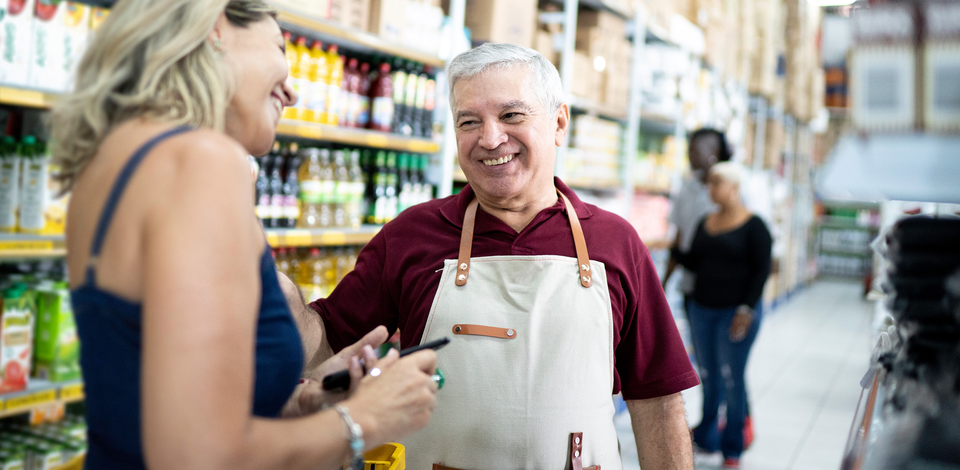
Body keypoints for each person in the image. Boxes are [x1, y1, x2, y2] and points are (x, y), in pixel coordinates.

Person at [52, 1, 438, 469]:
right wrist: (366, 417)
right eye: (280, 48)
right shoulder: (202, 162)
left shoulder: (114, 164)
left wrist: (303, 404)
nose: (293, 91)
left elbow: (156, 404)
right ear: (215, 27)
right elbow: (196, 456)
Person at [285, 43, 700, 470]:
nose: (490, 138)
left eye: (511, 115)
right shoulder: (411, 236)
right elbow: (323, 346)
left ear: (559, 123)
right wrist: (270, 283)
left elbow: (658, 400)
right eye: (469, 121)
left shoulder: (615, 243)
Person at [670, 162, 772, 469]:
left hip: (735, 313)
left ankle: (733, 448)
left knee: (732, 378)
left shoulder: (755, 226)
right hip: (701, 309)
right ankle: (708, 437)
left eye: (717, 183)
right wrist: (667, 247)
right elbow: (696, 261)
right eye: (709, 183)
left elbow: (761, 271)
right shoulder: (706, 221)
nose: (710, 189)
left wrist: (746, 309)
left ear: (734, 188)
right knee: (709, 374)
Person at [661, 128, 755, 447]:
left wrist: (746, 304)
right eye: (690, 147)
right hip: (695, 291)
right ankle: (709, 428)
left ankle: (739, 425)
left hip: (729, 298)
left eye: (701, 148)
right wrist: (663, 283)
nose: (693, 153)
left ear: (718, 153)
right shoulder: (687, 189)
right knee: (707, 365)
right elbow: (680, 242)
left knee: (730, 367)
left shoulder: (738, 194)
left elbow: (757, 254)